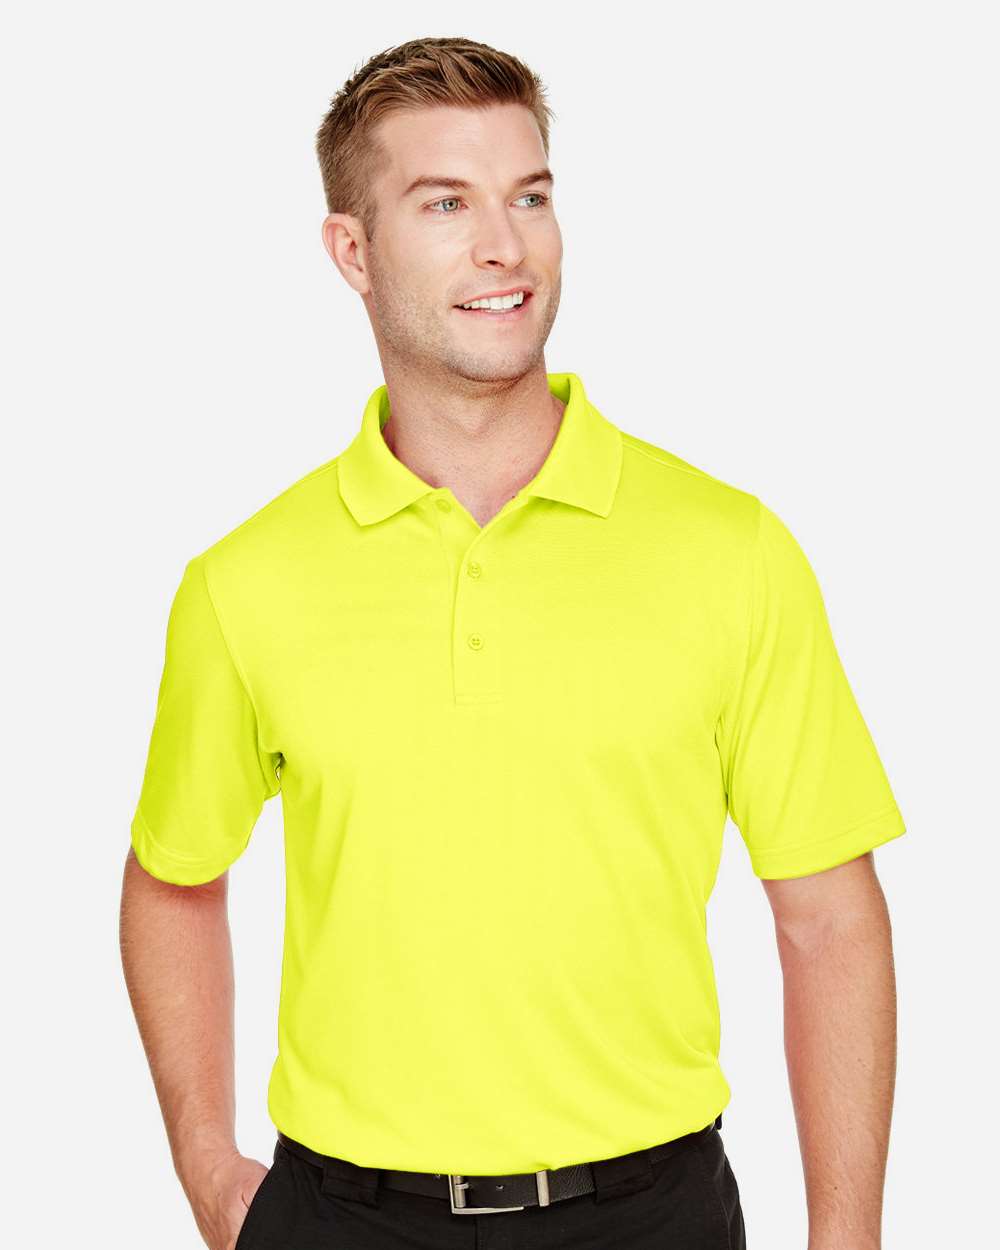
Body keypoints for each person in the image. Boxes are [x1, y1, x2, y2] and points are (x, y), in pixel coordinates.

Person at [120, 35, 907, 1250]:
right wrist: (207, 1167)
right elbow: (173, 874)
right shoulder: (246, 582)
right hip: (342, 1217)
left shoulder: (730, 550)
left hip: (651, 1215)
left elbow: (829, 920)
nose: (506, 245)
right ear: (352, 250)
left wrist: (845, 1242)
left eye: (529, 196)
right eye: (446, 204)